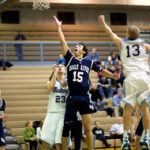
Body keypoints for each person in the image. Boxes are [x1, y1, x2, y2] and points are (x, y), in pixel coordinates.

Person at [53, 16, 120, 150]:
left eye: (78, 46)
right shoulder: (70, 59)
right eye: (75, 46)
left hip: (84, 96)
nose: (75, 47)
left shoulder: (89, 62)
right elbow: (62, 42)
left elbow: (102, 70)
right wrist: (59, 28)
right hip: (72, 96)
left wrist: (112, 75)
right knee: (67, 127)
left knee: (88, 126)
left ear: (83, 51)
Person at [98, 15, 150, 150]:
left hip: (131, 77)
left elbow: (110, 33)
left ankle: (126, 139)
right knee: (145, 108)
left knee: (128, 109)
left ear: (127, 34)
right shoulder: (144, 45)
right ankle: (146, 138)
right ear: (138, 35)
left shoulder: (122, 42)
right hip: (145, 77)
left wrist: (103, 22)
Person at [41, 64, 68, 150]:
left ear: (65, 71)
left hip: (63, 113)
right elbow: (51, 87)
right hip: (51, 112)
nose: (60, 67)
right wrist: (55, 72)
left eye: (62, 66)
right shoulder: (51, 81)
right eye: (58, 66)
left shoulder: (69, 83)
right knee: (45, 139)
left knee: (59, 141)